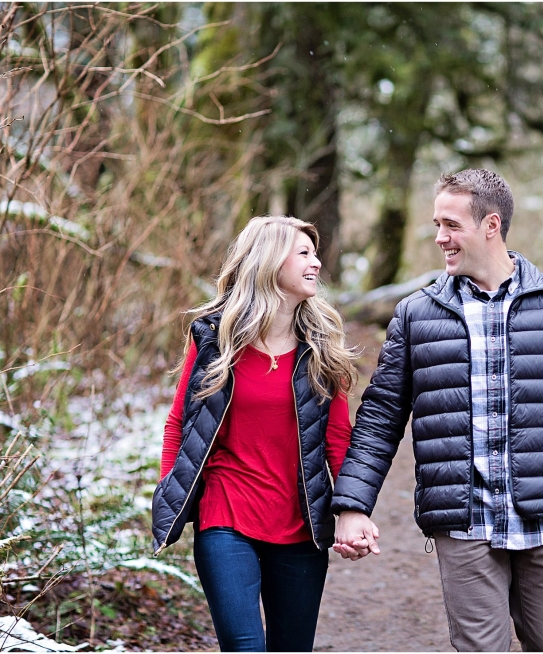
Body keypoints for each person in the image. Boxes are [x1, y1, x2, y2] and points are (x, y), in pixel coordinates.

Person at [331, 169, 543, 652]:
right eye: (437, 224)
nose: (440, 238)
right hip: (463, 522)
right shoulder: (417, 315)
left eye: (451, 225)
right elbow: (379, 419)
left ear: (491, 225)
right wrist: (352, 506)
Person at [151, 216, 357, 652]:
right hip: (226, 517)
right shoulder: (214, 337)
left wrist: (353, 511)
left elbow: (339, 437)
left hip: (301, 525)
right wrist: (170, 489)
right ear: (268, 262)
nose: (316, 262)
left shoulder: (321, 348)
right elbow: (178, 422)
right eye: (303, 253)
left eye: (314, 253)